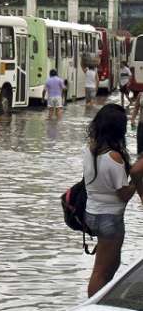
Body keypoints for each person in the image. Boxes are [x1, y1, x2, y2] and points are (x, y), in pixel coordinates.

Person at [83, 103, 143, 297]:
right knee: (101, 271)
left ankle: (101, 297)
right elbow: (123, 194)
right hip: (109, 218)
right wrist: (135, 180)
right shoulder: (114, 157)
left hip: (92, 213)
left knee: (111, 264)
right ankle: (93, 304)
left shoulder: (90, 150)